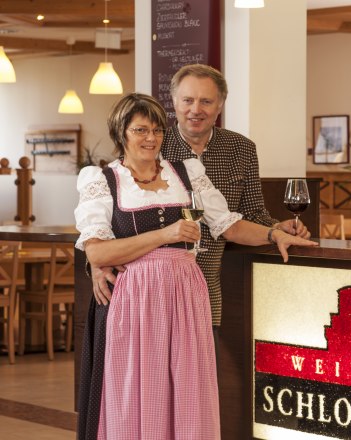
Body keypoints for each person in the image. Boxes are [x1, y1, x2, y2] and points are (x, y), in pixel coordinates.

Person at [75, 93, 316, 439]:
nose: (150, 138)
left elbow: (228, 225)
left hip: (185, 295)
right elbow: (97, 253)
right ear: (121, 132)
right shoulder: (103, 181)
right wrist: (165, 234)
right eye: (140, 130)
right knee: (135, 391)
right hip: (134, 302)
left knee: (187, 388)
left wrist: (273, 233)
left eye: (157, 130)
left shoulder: (185, 174)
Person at [92, 64, 309, 334]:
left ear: (220, 105)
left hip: (216, 276)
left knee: (204, 362)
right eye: (188, 100)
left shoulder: (240, 148)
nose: (196, 109)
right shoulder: (154, 146)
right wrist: (96, 263)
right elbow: (107, 219)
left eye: (206, 101)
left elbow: (249, 214)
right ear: (174, 103)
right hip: (144, 285)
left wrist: (275, 230)